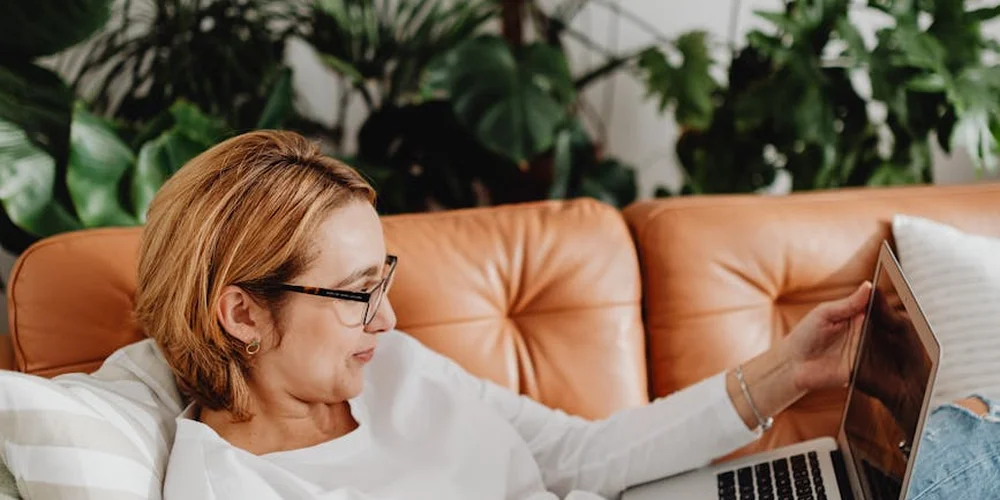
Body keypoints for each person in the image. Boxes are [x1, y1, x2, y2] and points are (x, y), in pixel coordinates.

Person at [133, 131, 995, 499]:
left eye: (382, 278)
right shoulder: (228, 485)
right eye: (357, 293)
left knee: (955, 444)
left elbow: (581, 454)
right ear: (241, 314)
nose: (389, 320)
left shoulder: (390, 370)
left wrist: (786, 371)